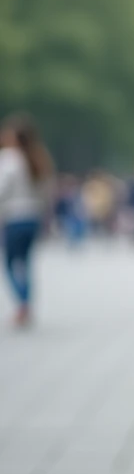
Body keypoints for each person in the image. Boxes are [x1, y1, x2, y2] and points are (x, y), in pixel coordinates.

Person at [0, 114, 54, 329]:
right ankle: (27, 303)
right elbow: (47, 191)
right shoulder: (40, 158)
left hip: (14, 216)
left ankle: (22, 303)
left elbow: (2, 188)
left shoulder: (10, 158)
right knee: (27, 262)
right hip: (33, 217)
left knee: (11, 263)